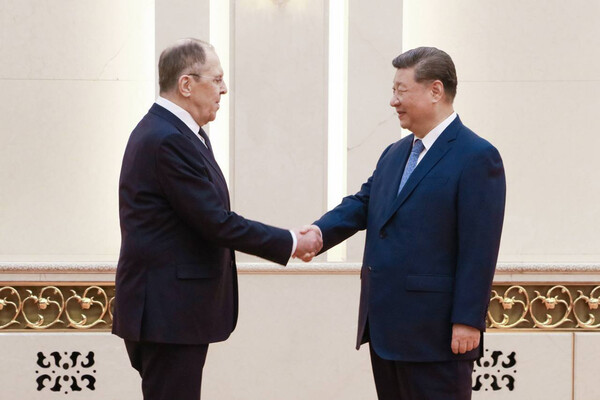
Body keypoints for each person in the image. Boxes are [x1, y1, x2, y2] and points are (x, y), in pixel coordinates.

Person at [112, 38, 321, 400]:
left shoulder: (178, 133)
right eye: (217, 79)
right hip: (167, 312)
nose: (224, 89)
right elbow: (216, 222)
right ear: (186, 84)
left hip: (172, 311)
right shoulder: (167, 139)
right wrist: (291, 242)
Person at [304, 47, 506, 399]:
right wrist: (318, 233)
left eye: (401, 90)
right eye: (393, 90)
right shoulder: (395, 153)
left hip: (437, 334)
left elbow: (479, 248)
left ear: (435, 90)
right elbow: (363, 203)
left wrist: (467, 320)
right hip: (385, 330)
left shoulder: (477, 156)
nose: (393, 101)